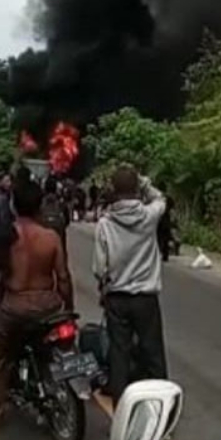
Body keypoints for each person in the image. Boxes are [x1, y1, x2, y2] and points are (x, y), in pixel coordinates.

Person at [0, 181, 73, 431]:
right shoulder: (51, 237)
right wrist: (68, 311)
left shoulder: (3, 236)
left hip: (14, 307)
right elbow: (63, 277)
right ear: (40, 205)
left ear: (12, 205)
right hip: (48, 307)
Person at [93, 166, 168, 405]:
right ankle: (161, 407)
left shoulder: (104, 223)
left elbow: (99, 268)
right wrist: (144, 182)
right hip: (145, 297)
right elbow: (160, 198)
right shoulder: (149, 216)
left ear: (113, 191)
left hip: (117, 298)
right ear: (136, 189)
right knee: (153, 352)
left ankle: (121, 409)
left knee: (119, 353)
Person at [41, 176, 70, 250]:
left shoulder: (40, 202)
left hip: (43, 238)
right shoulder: (61, 203)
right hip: (58, 237)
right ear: (55, 189)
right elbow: (67, 221)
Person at [156, 182, 175, 262]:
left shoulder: (157, 197)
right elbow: (173, 207)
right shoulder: (168, 198)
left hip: (158, 220)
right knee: (166, 238)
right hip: (166, 220)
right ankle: (165, 255)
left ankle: (158, 253)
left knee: (158, 238)